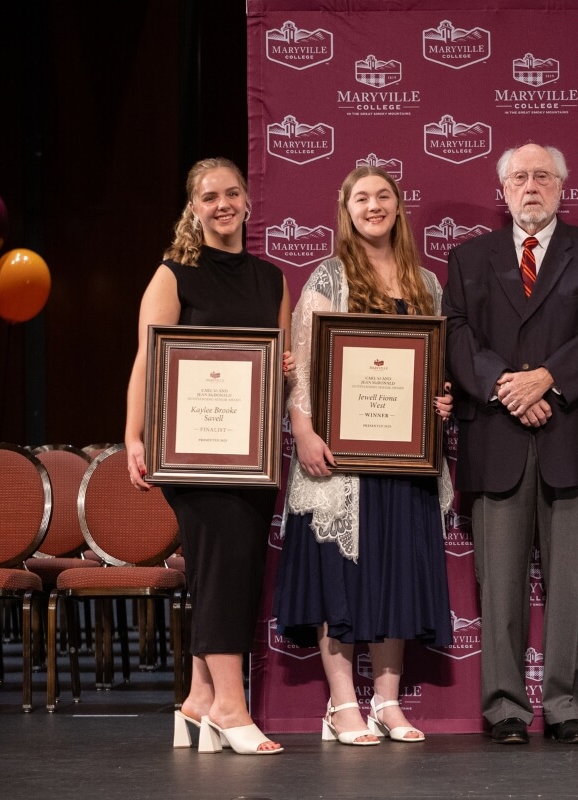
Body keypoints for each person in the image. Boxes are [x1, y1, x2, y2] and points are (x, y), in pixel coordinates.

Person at [443, 143, 578, 745]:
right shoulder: (468, 257)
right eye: (519, 177)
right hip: (497, 433)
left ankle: (566, 706)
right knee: (498, 585)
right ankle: (504, 710)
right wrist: (507, 386)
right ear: (502, 190)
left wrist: (548, 379)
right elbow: (456, 332)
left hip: (571, 432)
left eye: (542, 176)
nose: (531, 186)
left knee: (569, 582)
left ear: (561, 186)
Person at [272, 166, 454, 746]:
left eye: (383, 196)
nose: (372, 206)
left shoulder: (427, 282)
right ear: (345, 210)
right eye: (361, 198)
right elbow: (302, 364)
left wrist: (440, 402)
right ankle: (342, 704)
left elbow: (435, 366)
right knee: (340, 580)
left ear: (399, 207)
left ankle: (388, 702)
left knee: (395, 574)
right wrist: (302, 430)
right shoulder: (329, 274)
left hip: (402, 459)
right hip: (340, 461)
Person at [126, 157, 290, 755]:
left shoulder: (271, 279)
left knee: (231, 569)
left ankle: (197, 698)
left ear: (247, 200)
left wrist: (289, 372)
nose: (222, 204)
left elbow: (278, 366)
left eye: (231, 193)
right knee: (223, 564)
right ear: (193, 209)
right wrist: (134, 436)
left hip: (250, 453)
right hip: (190, 453)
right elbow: (147, 359)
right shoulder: (175, 274)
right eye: (208, 197)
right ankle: (230, 706)